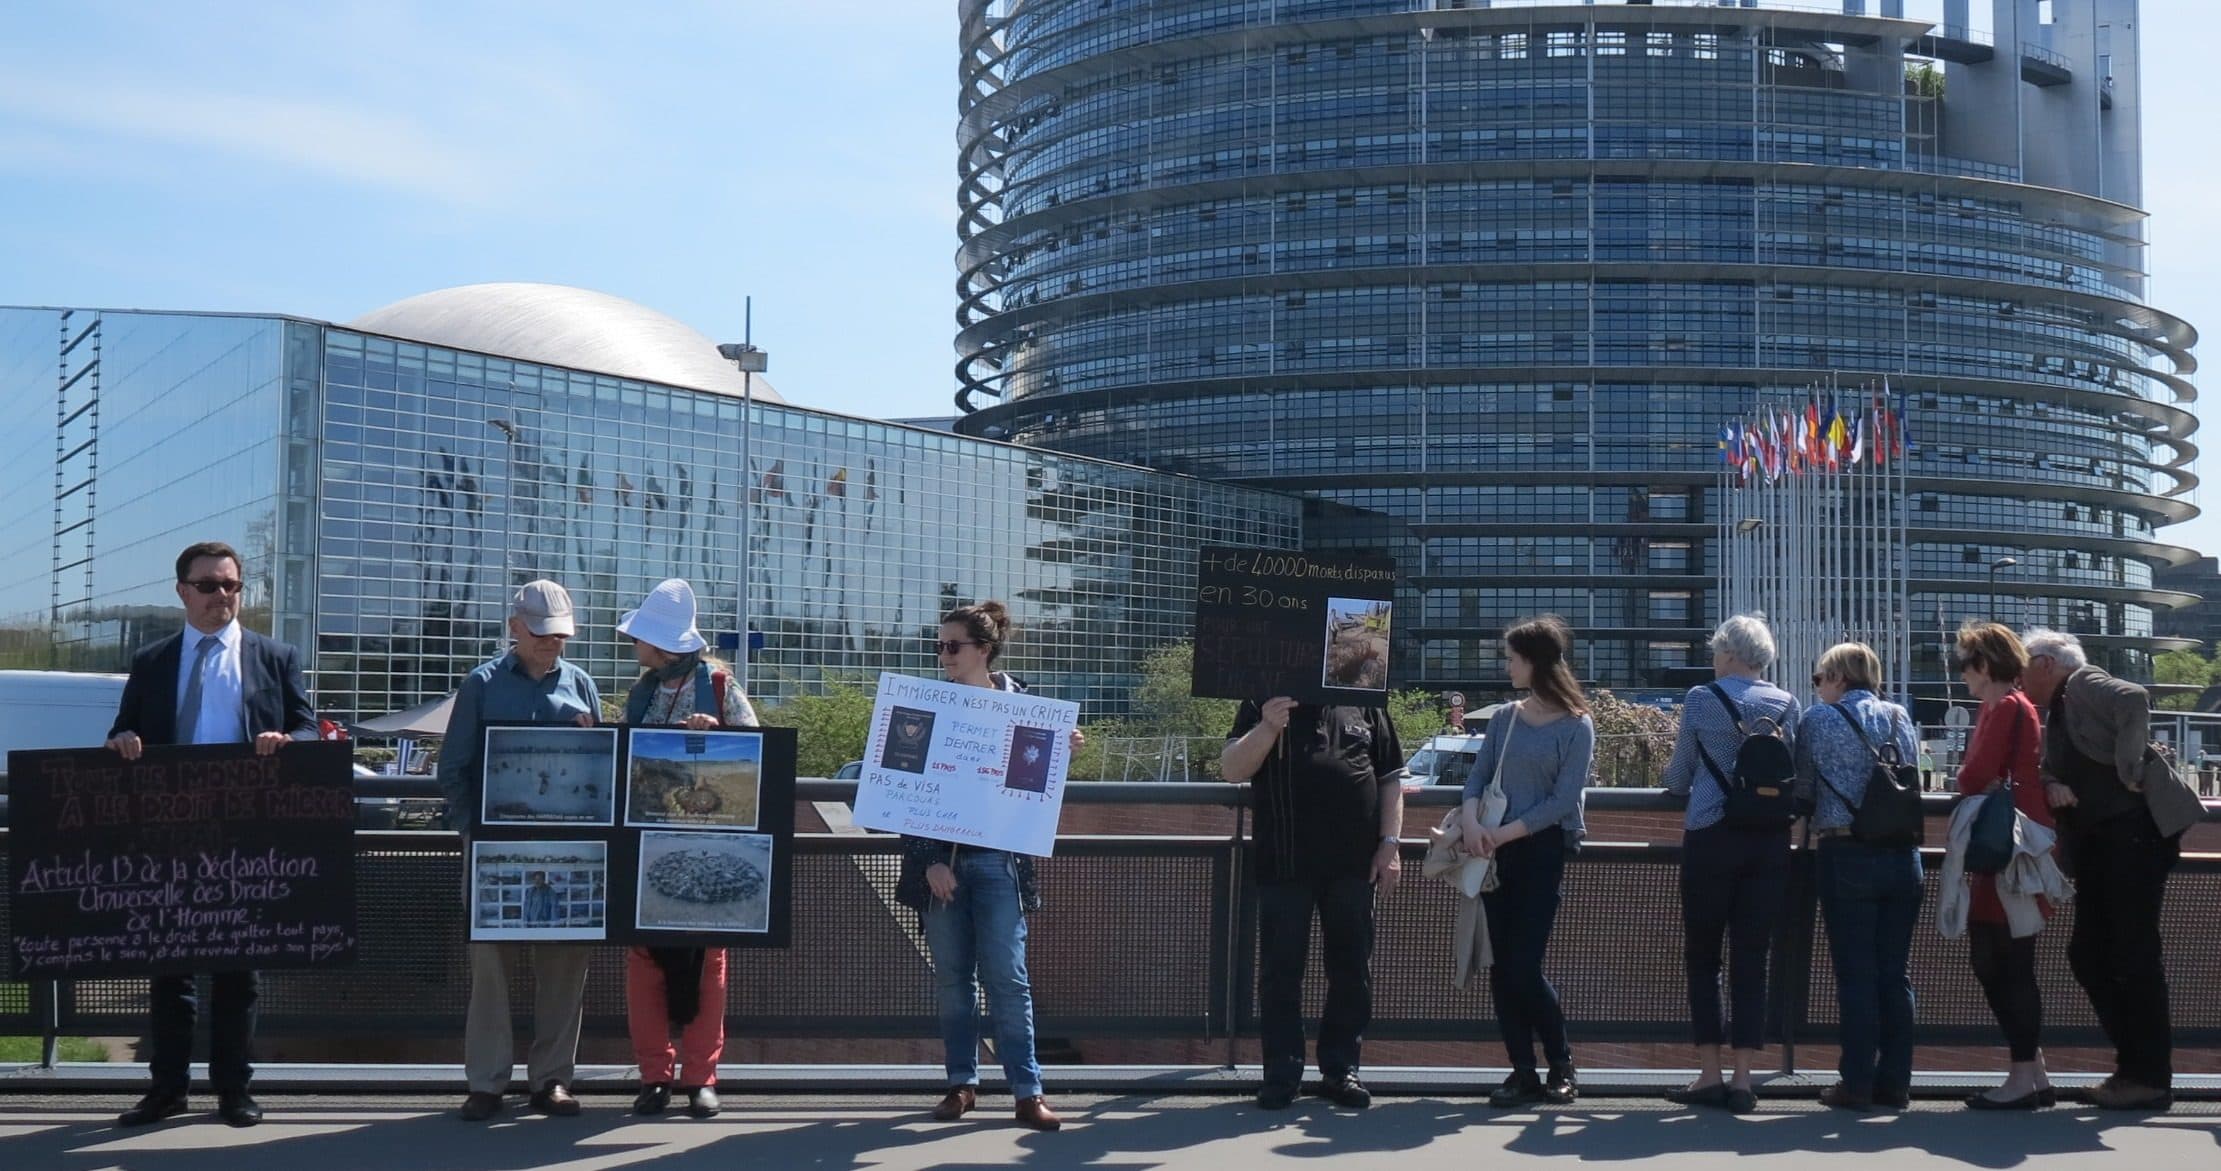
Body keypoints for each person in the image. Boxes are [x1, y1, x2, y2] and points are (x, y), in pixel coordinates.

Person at [104, 541, 318, 1129]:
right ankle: (167, 1089)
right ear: (182, 591)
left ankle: (234, 1092)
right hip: (168, 836)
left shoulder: (274, 657)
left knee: (237, 972)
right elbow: (123, 728)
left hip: (244, 836)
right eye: (208, 586)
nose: (221, 596)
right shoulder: (152, 661)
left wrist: (290, 743)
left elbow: (306, 725)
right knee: (168, 970)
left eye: (231, 585)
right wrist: (121, 741)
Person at [894, 601, 1076, 1132]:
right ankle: (961, 1085)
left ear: (984, 650)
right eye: (940, 645)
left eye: (954, 646)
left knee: (1008, 979)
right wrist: (927, 861)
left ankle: (1028, 1091)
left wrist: (1061, 754)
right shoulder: (927, 705)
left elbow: (1028, 791)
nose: (944, 655)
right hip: (944, 866)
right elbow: (904, 790)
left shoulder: (1024, 706)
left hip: (999, 862)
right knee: (953, 981)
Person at [440, 579, 603, 1123]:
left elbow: (601, 772)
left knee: (565, 964)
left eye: (559, 635)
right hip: (493, 847)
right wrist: (471, 835)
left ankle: (552, 1080)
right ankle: (486, 1082)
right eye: (540, 634)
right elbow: (454, 767)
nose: (551, 643)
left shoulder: (582, 684)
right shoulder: (481, 684)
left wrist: (593, 739)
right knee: (489, 966)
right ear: (514, 627)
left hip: (568, 848)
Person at [1221, 687, 1407, 1111]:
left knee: (1351, 969)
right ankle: (1282, 1075)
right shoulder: (1261, 698)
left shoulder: (1366, 699)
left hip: (1354, 865)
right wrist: (1267, 727)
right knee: (1281, 973)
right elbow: (1232, 769)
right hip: (1284, 862)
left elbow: (1390, 778)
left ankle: (1341, 1071)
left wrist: (1390, 845)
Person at [616, 578, 759, 1121]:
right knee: (645, 961)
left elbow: (755, 753)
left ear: (660, 644)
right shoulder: (643, 691)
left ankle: (700, 1077)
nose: (634, 648)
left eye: (639, 639)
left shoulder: (721, 687)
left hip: (708, 836)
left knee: (709, 961)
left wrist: (716, 727)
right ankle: (656, 1075)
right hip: (647, 838)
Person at [2020, 628, 2177, 1111]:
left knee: (2128, 955)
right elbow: (2050, 765)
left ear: (2046, 664)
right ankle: (2136, 1069)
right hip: (2107, 844)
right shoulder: (2061, 709)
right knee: (2093, 954)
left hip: (2127, 840)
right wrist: (2051, 783)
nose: (2020, 679)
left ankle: (2146, 1075)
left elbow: (2134, 696)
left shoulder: (2082, 682)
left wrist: (2129, 768)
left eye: (2024, 667)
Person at [1659, 615, 1800, 1114]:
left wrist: (1681, 782)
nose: (1714, 659)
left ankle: (1710, 1074)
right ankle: (1744, 1080)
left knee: (1703, 957)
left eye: (1718, 650)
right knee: (1751, 957)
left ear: (1731, 654)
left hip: (1711, 836)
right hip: (1768, 843)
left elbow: (1678, 776)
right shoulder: (1787, 704)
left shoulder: (1702, 698)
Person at [1459, 616, 1594, 1108]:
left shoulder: (1578, 724)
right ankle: (1522, 1072)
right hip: (1493, 851)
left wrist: (1500, 833)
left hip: (1540, 852)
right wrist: (1474, 825)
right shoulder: (1504, 717)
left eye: (1512, 657)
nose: (1506, 665)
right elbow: (1476, 779)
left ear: (1533, 662)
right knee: (1500, 966)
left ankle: (1561, 1064)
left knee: (1523, 964)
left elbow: (1563, 801)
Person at [1796, 642, 1922, 1111]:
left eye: (1819, 678)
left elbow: (1804, 788)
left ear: (1837, 677)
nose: (1819, 687)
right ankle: (1896, 1083)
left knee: (1856, 974)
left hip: (1845, 850)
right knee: (1894, 974)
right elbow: (1912, 777)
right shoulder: (1897, 716)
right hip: (1901, 854)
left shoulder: (1817, 720)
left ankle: (1857, 1082)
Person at [1951, 623, 2056, 1109]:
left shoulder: (2004, 708)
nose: (1964, 675)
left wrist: (1969, 778)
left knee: (2002, 962)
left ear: (1984, 665)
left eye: (1967, 665)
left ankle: (2022, 1075)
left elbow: (1973, 775)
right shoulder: (2010, 707)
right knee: (2006, 959)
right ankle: (2031, 1072)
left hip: (2006, 849)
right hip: (2014, 844)